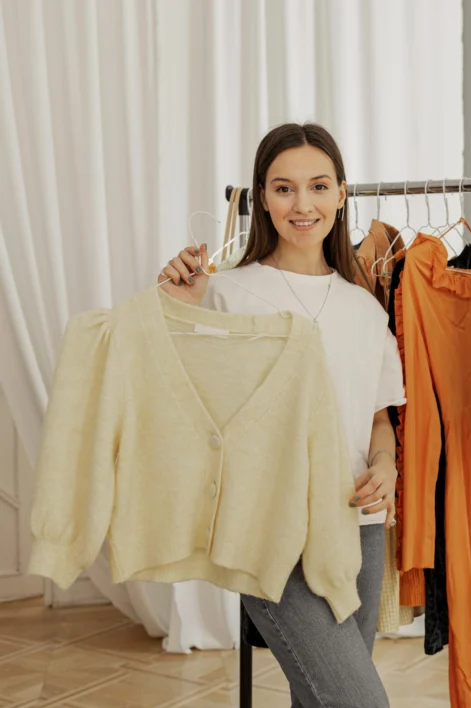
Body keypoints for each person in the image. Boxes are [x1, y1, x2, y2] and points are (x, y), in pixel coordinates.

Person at [158, 122, 400, 707]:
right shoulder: (223, 293)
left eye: (318, 186)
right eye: (284, 188)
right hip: (267, 528)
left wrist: (387, 465)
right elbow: (180, 403)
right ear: (262, 197)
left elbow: (376, 415)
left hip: (358, 527)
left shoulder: (364, 306)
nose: (302, 204)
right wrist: (178, 310)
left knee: (318, 699)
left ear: (341, 195)